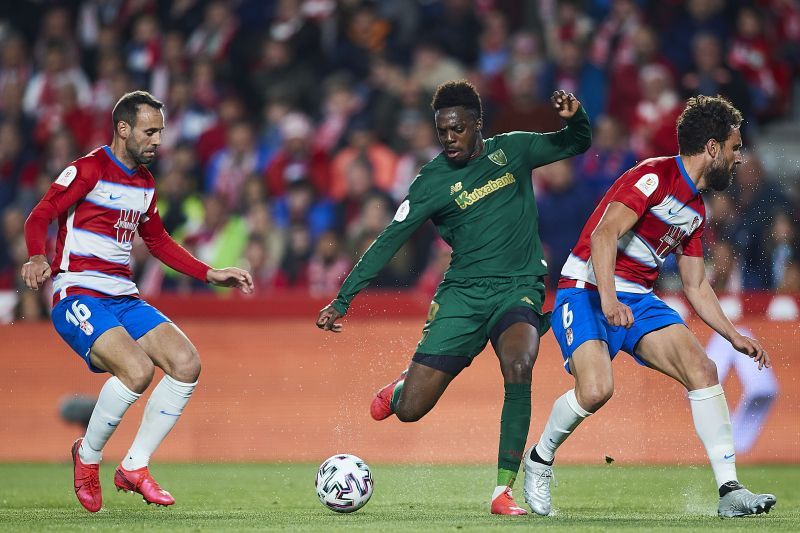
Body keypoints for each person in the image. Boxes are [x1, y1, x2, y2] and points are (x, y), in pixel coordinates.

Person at [316, 80, 592, 515]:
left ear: (477, 125)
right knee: (411, 411)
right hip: (462, 297)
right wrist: (343, 299)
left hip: (518, 288)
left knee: (520, 365)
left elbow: (577, 142)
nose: (449, 139)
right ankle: (401, 388)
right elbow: (389, 240)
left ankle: (503, 491)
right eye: (442, 131)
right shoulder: (432, 181)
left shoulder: (514, 150)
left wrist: (575, 116)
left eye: (457, 129)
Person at [524, 95, 776, 518]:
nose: (738, 158)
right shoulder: (652, 176)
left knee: (703, 370)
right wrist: (607, 300)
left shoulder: (695, 209)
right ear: (712, 148)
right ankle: (540, 459)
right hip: (586, 288)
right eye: (734, 148)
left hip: (637, 299)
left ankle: (730, 490)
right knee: (597, 390)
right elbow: (604, 236)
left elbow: (695, 285)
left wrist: (734, 336)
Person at [21, 91, 253, 513]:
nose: (158, 140)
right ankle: (87, 457)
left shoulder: (145, 183)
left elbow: (158, 240)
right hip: (78, 292)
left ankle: (135, 466)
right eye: (150, 131)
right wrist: (38, 255)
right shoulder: (87, 169)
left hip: (123, 295)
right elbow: (39, 215)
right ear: (123, 129)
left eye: (161, 132)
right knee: (138, 370)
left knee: (186, 363)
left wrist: (210, 273)